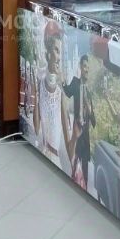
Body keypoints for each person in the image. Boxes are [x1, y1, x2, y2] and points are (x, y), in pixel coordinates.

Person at [32, 22, 71, 174]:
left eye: (60, 52)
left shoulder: (60, 92)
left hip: (54, 159)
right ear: (48, 53)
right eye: (56, 50)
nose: (59, 57)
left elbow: (67, 135)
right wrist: (36, 97)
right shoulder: (41, 83)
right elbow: (36, 128)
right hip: (44, 153)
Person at [63, 54, 96, 189]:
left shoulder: (89, 92)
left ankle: (85, 189)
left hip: (85, 137)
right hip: (77, 132)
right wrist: (63, 81)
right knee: (74, 166)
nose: (86, 69)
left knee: (85, 173)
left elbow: (94, 122)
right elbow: (67, 92)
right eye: (84, 66)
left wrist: (90, 109)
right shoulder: (76, 82)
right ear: (80, 67)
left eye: (88, 67)